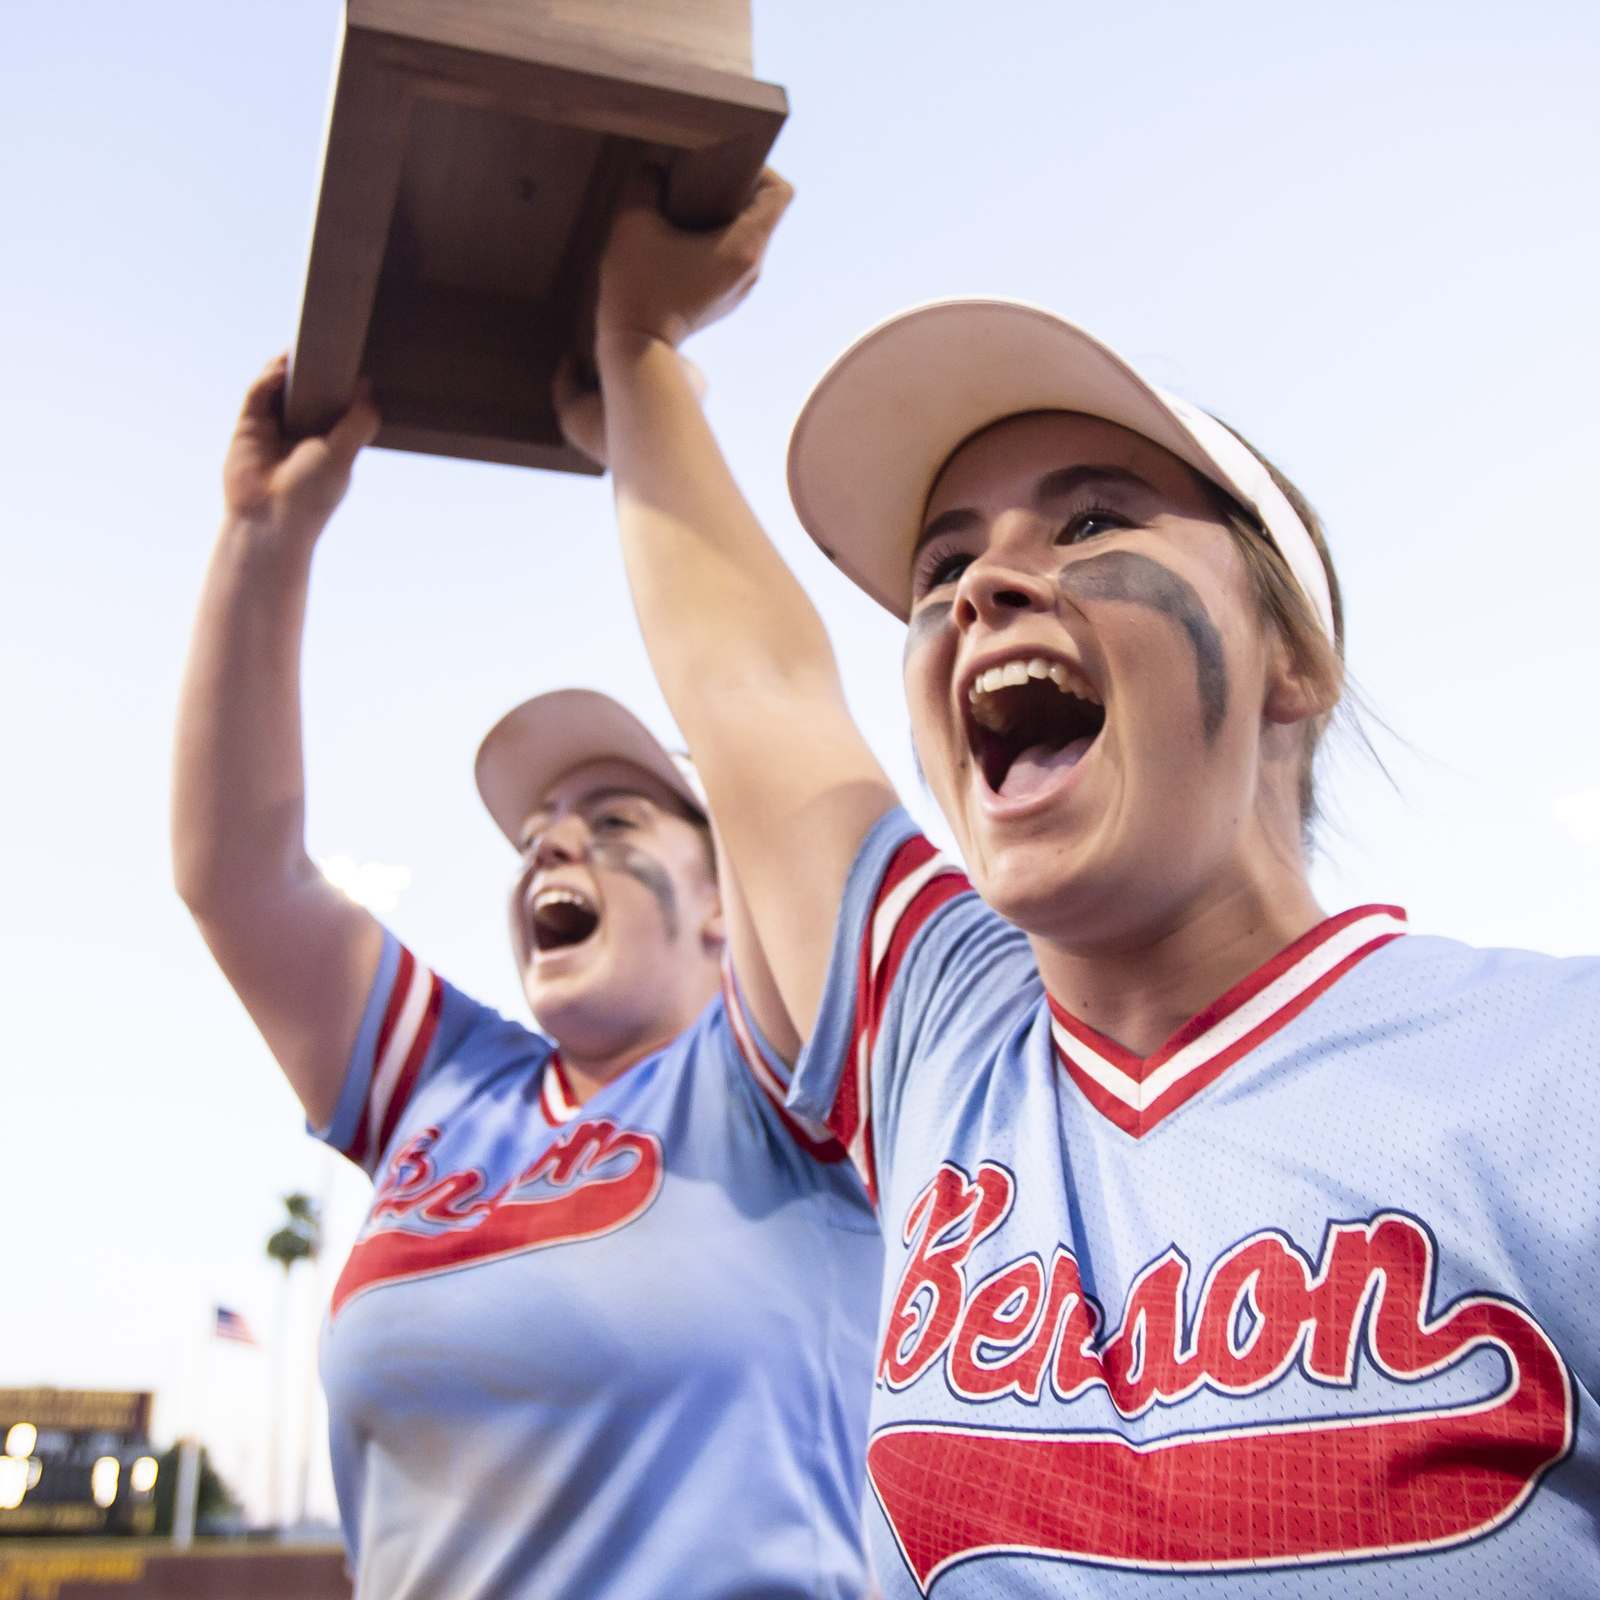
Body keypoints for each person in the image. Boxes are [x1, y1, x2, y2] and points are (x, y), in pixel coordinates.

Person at [562, 172, 1600, 1596]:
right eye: (945, 561)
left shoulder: (1556, 1072)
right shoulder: (939, 1045)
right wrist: (637, 357)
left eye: (1094, 522)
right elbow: (750, 688)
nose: (985, 587)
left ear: (1291, 660)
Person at [170, 357, 881, 1599]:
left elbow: (758, 718)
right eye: (539, 831)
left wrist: (648, 416)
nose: (555, 840)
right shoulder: (447, 1087)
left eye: (615, 818)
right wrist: (264, 534)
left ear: (730, 901)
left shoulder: (782, 1072)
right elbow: (238, 874)